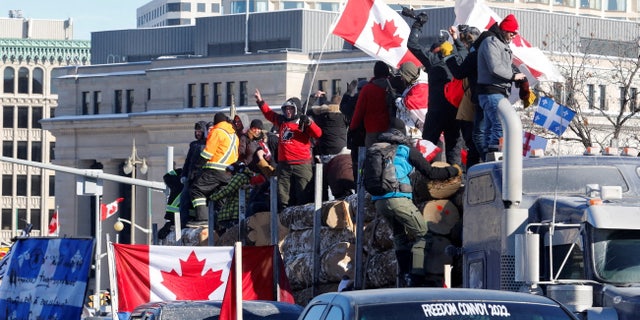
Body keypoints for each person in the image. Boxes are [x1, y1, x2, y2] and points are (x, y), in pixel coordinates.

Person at [372, 118, 461, 287]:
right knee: (423, 234)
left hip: (380, 202)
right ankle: (416, 277)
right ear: (402, 133)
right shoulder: (406, 150)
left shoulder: (375, 150)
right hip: (398, 198)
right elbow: (431, 173)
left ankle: (405, 275)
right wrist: (453, 170)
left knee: (400, 237)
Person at [405, 10, 465, 166]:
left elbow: (412, 45)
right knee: (454, 150)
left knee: (427, 149)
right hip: (455, 112)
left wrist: (418, 25)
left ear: (434, 50)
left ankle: (423, 179)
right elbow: (466, 53)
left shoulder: (432, 60)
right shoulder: (458, 60)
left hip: (436, 111)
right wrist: (456, 39)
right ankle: (457, 182)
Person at [254, 88, 322, 210]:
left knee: (303, 194)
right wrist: (260, 102)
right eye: (286, 109)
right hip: (284, 165)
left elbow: (318, 133)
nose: (288, 111)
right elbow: (269, 113)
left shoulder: (303, 122)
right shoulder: (282, 121)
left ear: (296, 109)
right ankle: (285, 217)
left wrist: (309, 123)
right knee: (283, 196)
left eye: (291, 109)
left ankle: (303, 218)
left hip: (302, 164)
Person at [476, 14, 527, 154]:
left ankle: (487, 156)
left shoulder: (498, 43)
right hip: (492, 92)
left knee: (490, 127)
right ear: (504, 30)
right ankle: (495, 154)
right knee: (501, 124)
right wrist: (513, 76)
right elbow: (495, 68)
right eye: (512, 32)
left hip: (494, 92)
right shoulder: (491, 42)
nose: (514, 35)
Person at [189, 112, 239, 225]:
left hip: (215, 169)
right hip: (229, 173)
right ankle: (221, 224)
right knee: (220, 197)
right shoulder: (234, 135)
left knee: (197, 189)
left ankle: (202, 219)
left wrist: (197, 167)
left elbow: (208, 153)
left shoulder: (217, 131)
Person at [446, 25, 483, 166]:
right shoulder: (480, 55)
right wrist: (456, 39)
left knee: (474, 143)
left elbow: (460, 71)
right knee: (477, 142)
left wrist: (449, 57)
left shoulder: (472, 57)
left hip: (468, 108)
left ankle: (473, 173)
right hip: (473, 106)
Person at [349, 61, 394, 147]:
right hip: (390, 129)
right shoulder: (393, 87)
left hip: (372, 129)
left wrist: (352, 127)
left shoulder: (367, 89)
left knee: (372, 155)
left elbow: (359, 110)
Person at [209, 161, 254, 236]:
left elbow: (228, 190)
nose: (228, 175)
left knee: (230, 233)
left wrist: (212, 197)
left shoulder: (239, 176)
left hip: (234, 213)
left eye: (229, 172)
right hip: (238, 212)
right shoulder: (247, 176)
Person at [178, 121, 208, 228]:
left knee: (198, 201)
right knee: (185, 200)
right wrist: (184, 175)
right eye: (196, 131)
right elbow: (188, 162)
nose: (198, 133)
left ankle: (200, 219)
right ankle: (184, 223)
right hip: (190, 178)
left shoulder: (208, 144)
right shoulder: (194, 145)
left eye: (200, 131)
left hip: (200, 177)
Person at [396, 61, 429, 133]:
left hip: (422, 129)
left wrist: (398, 100)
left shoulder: (420, 86)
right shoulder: (416, 83)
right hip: (419, 127)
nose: (401, 79)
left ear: (408, 75)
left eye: (402, 76)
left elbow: (410, 103)